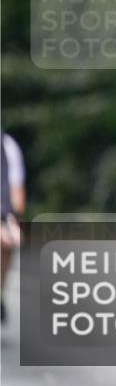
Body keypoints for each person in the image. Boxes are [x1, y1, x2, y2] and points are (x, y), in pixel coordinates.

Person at [1, 131, 26, 325]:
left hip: (3, 213)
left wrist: (15, 217)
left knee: (9, 242)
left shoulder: (7, 145)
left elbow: (17, 188)